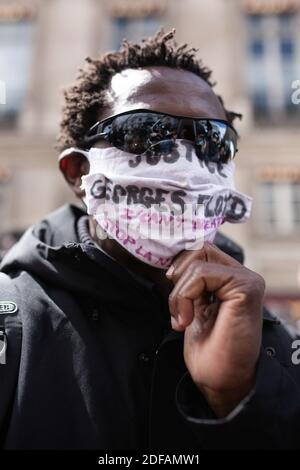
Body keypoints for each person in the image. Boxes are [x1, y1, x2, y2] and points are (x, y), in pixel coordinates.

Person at [0, 29, 299, 450]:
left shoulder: (266, 337)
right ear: (76, 174)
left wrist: (237, 398)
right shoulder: (13, 327)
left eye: (213, 141)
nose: (185, 163)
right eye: (143, 132)